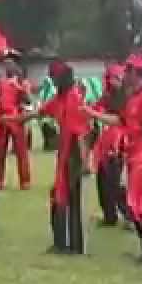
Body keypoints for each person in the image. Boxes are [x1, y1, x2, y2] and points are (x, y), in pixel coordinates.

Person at [85, 54, 142, 263]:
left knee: (137, 204)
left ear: (135, 73)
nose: (124, 76)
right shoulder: (133, 98)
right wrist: (91, 113)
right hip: (133, 153)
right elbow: (119, 120)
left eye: (127, 72)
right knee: (140, 204)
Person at [41, 59, 93, 254]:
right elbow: (41, 111)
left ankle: (71, 245)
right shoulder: (60, 98)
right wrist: (11, 119)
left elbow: (81, 134)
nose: (52, 82)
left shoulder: (73, 99)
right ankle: (65, 242)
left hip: (72, 156)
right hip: (64, 155)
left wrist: (84, 162)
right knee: (60, 197)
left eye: (54, 78)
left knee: (69, 199)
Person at [91, 63, 130, 228]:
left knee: (114, 182)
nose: (112, 82)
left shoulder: (126, 97)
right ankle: (109, 215)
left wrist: (95, 113)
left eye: (116, 78)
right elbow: (95, 108)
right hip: (105, 143)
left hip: (119, 142)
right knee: (102, 180)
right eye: (110, 78)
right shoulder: (106, 96)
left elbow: (119, 120)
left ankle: (130, 215)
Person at [0, 57, 33, 191]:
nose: (8, 69)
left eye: (10, 67)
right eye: (6, 67)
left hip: (16, 120)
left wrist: (19, 87)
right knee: (0, 152)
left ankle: (25, 181)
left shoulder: (21, 83)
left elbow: (28, 100)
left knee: (21, 152)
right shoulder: (0, 82)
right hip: (3, 119)